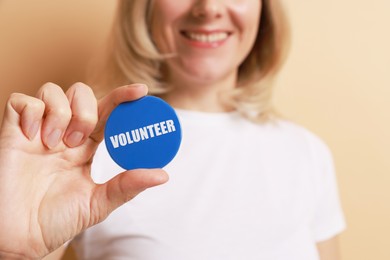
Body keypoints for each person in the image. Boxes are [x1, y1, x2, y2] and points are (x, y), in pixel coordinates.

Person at [0, 0, 346, 259]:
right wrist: (15, 249)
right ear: (145, 8)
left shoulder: (307, 152)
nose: (208, 8)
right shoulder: (83, 150)